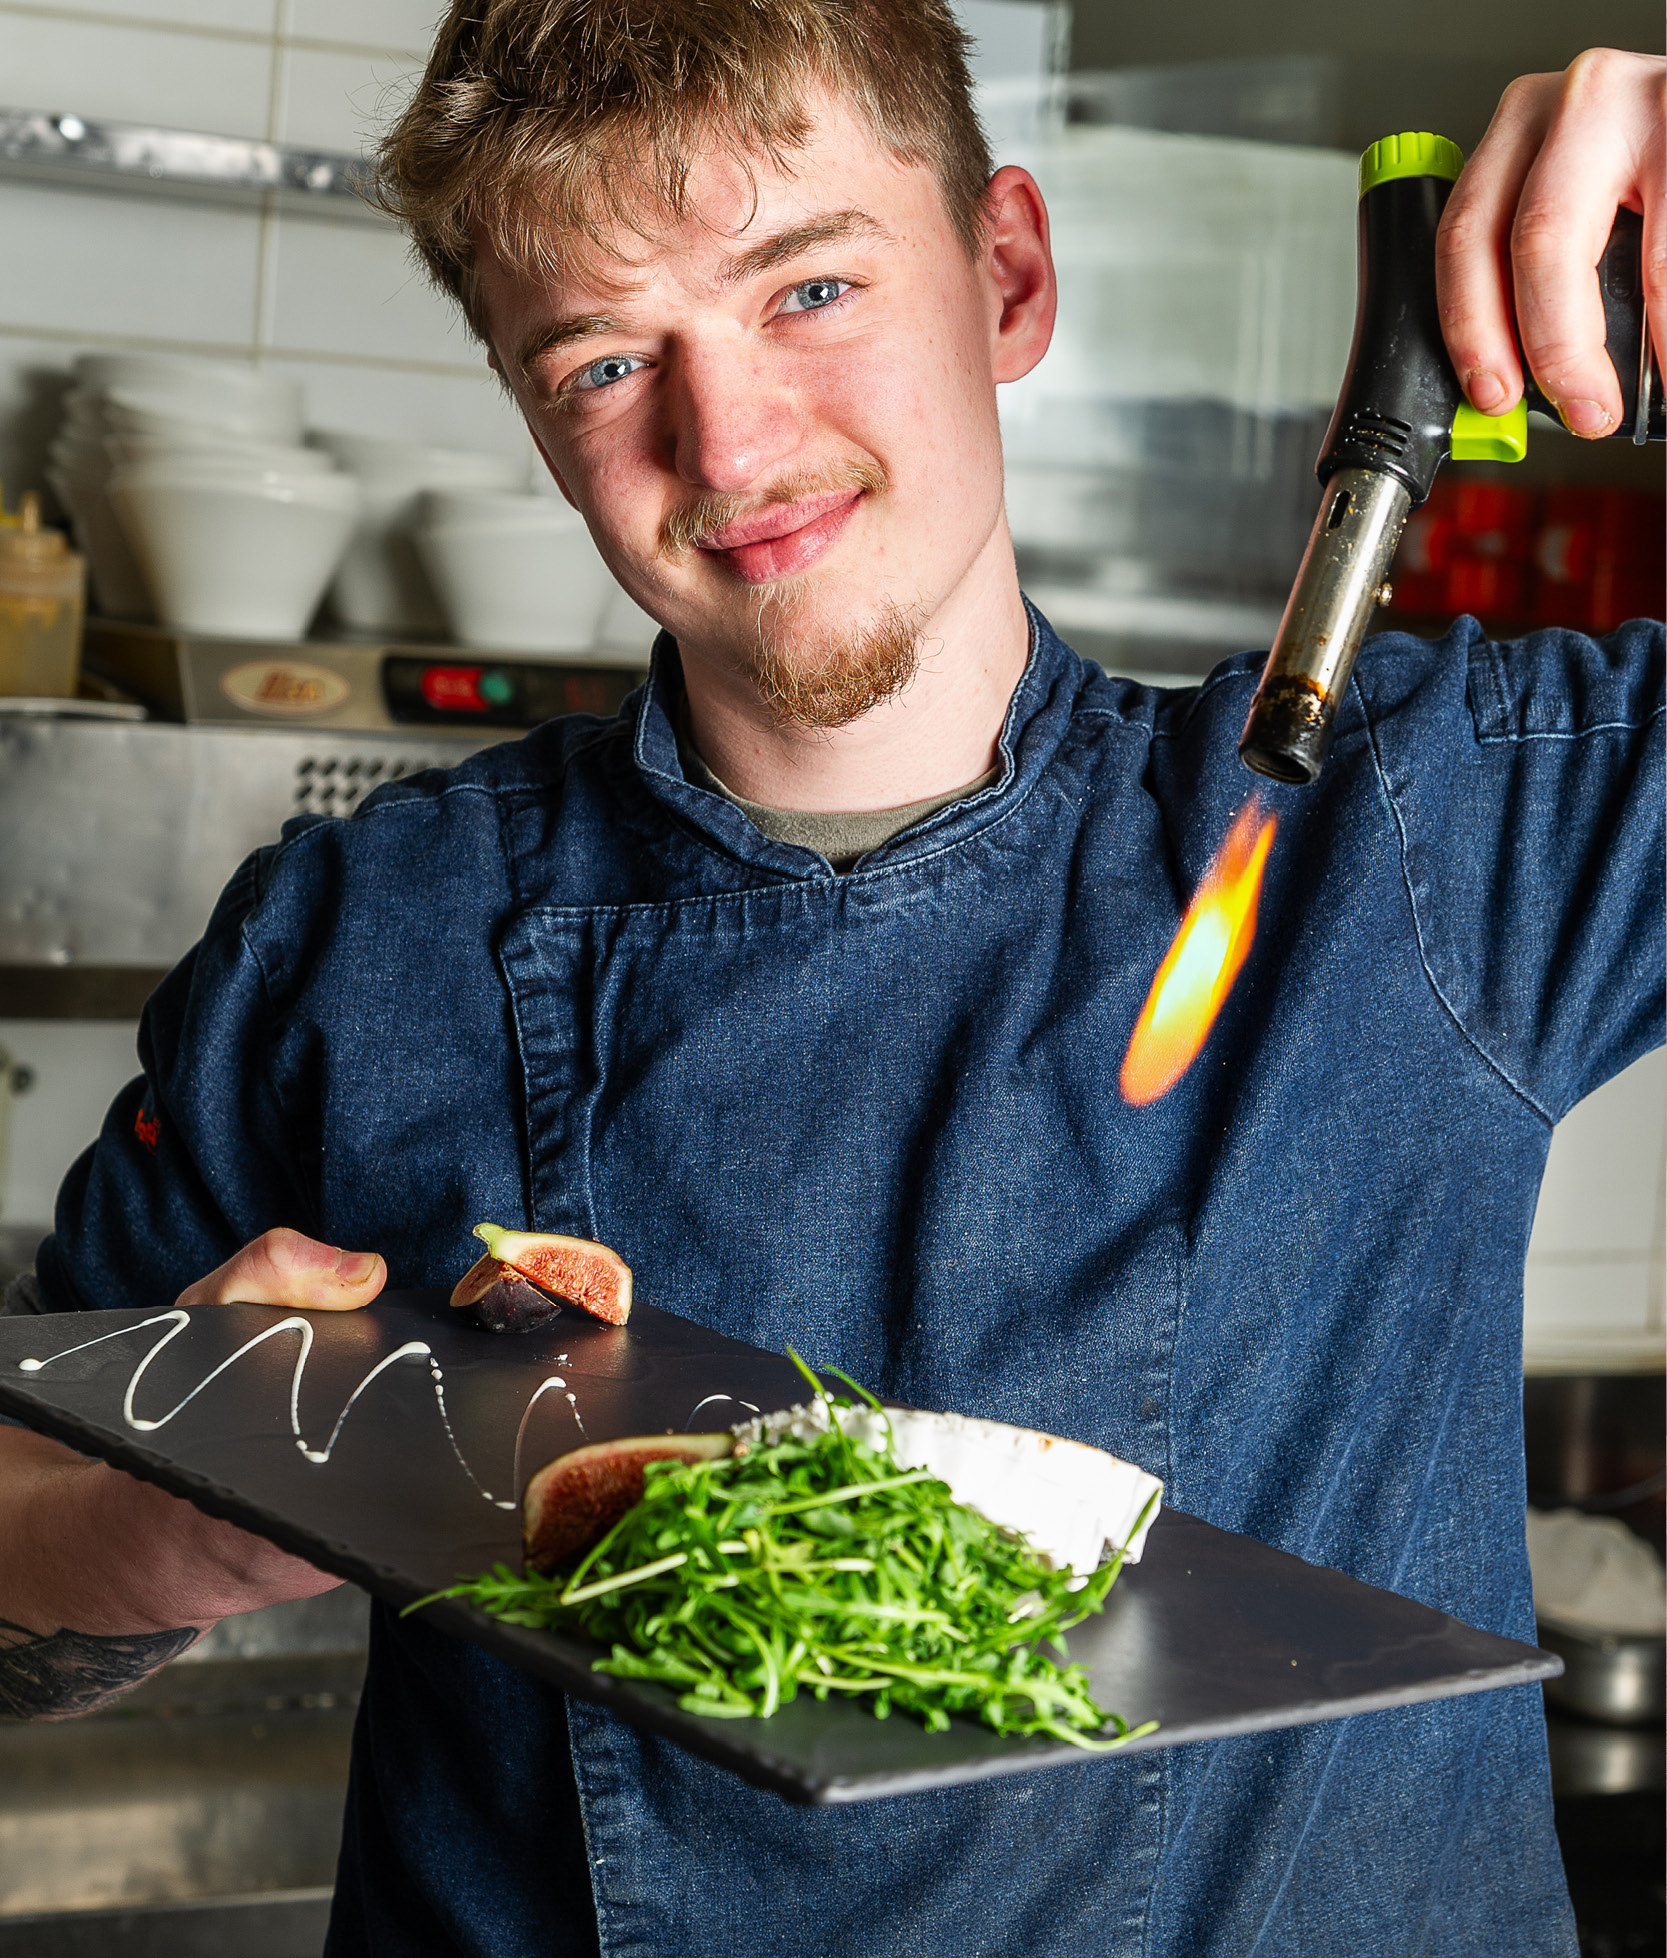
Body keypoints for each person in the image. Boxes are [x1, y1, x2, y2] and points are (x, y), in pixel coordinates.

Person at [0, 4, 1661, 1950]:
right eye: (609, 359)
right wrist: (167, 1518)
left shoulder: (1449, 831)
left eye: (808, 287)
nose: (732, 441)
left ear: (1009, 273)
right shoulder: (361, 943)